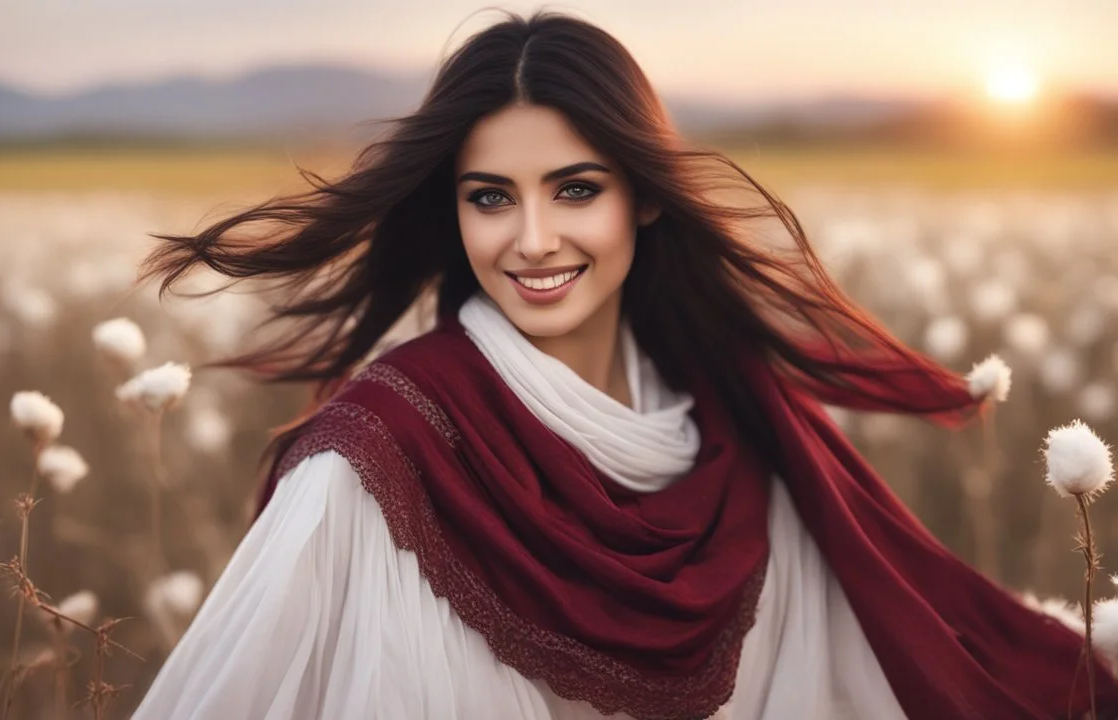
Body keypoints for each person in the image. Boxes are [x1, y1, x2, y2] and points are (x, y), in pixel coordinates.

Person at [131, 10, 1118, 719]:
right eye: (488, 197)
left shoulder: (740, 430)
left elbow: (888, 654)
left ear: (641, 196)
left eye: (573, 189)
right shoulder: (375, 453)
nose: (531, 239)